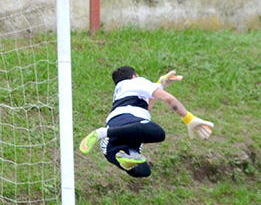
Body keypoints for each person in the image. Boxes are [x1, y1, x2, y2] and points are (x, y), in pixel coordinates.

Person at [79, 66, 214, 178]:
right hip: (119, 129)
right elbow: (168, 99)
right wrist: (188, 118)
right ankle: (103, 132)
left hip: (112, 144)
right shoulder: (136, 81)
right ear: (134, 76)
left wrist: (160, 85)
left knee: (144, 171)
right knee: (158, 133)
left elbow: (145, 108)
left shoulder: (122, 91)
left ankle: (126, 162)